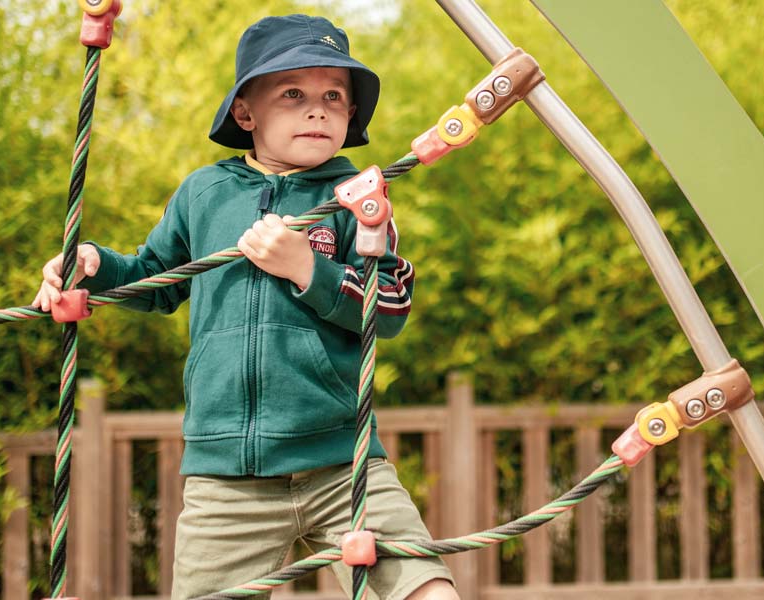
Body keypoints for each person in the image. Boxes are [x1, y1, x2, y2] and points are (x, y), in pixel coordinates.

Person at [33, 14, 457, 600]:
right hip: (226, 477)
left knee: (428, 590)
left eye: (335, 95)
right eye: (293, 93)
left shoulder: (356, 197)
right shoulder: (204, 193)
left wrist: (307, 268)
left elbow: (390, 305)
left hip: (340, 462)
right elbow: (158, 279)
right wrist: (94, 266)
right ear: (245, 112)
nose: (318, 109)